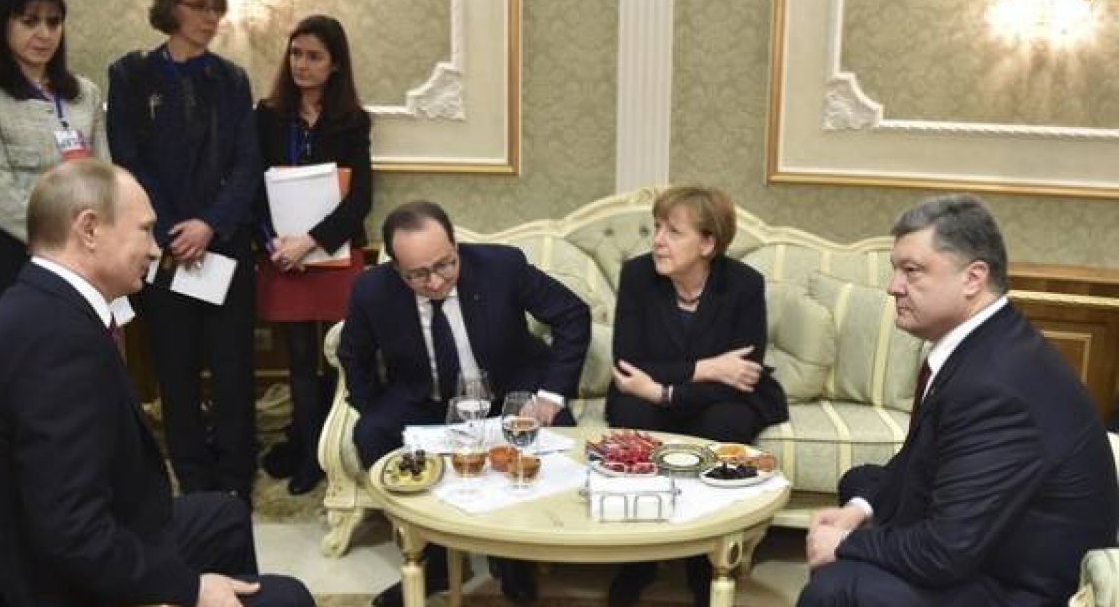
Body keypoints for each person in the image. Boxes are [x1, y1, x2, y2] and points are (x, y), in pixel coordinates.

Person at [0, 160, 313, 607]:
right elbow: (72, 534)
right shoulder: (56, 340)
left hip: (87, 535)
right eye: (144, 230)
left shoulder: (43, 304)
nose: (155, 249)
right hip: (46, 584)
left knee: (223, 513)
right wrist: (191, 588)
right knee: (287, 597)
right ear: (89, 229)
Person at [798, 194, 1118, 607]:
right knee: (860, 483)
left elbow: (945, 552)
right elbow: (919, 457)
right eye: (895, 269)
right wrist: (859, 511)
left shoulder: (997, 384)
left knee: (836, 587)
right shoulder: (988, 343)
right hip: (987, 549)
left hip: (1019, 588)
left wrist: (843, 543)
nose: (893, 286)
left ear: (973, 279)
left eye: (912, 271)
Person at [338, 200, 591, 607]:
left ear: (455, 246)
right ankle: (431, 556)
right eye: (418, 274)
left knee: (554, 430)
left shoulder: (502, 266)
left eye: (445, 265)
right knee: (372, 432)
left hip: (510, 392)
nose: (436, 282)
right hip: (425, 398)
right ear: (395, 266)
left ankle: (515, 557)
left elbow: (572, 315)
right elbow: (354, 354)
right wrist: (371, 405)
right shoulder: (372, 289)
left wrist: (549, 395)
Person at [107, 0, 260, 501]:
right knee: (175, 369)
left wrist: (210, 224)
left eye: (216, 7)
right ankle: (192, 477)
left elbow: (246, 164)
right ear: (171, 7)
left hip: (225, 248)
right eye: (199, 5)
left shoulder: (231, 79)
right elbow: (128, 160)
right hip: (164, 251)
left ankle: (236, 477)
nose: (210, 17)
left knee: (233, 368)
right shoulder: (131, 76)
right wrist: (176, 230)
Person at [604, 185, 788, 607]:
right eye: (656, 227)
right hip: (661, 397)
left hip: (718, 403)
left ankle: (702, 561)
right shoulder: (637, 276)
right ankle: (639, 557)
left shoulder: (743, 284)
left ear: (708, 243)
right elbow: (628, 364)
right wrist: (705, 369)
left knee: (726, 422)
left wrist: (664, 389)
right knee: (633, 410)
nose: (657, 240)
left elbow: (741, 374)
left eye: (673, 231)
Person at [255, 14, 372, 496]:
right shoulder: (266, 115)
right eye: (296, 53)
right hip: (283, 256)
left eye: (314, 56)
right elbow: (253, 186)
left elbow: (360, 198)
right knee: (299, 360)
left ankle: (336, 448)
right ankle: (307, 454)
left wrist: (313, 241)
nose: (302, 64)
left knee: (342, 357)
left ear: (335, 64)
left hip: (337, 254)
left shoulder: (351, 121)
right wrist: (277, 245)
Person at [0, 0, 108, 320]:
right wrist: (62, 243)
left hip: (81, 246)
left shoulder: (84, 93)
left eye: (54, 22)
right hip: (9, 247)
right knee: (22, 358)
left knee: (78, 352)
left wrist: (95, 238)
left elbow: (102, 176)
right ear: (1, 25)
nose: (44, 34)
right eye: (29, 21)